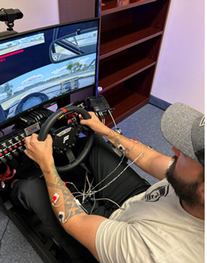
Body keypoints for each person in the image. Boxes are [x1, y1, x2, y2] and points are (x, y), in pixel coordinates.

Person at [11, 102, 204, 263]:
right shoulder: (196, 185)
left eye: (186, 155)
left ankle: (11, 184)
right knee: (93, 140)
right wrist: (103, 130)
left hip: (121, 235)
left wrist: (45, 163)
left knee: (30, 188)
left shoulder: (154, 255)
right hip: (141, 201)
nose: (174, 150)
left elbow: (75, 221)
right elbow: (152, 159)